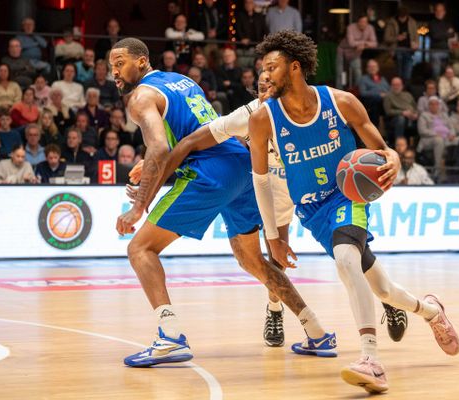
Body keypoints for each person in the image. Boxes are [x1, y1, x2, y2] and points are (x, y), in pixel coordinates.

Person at [127, 72, 409, 349]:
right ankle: (275, 311)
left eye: (271, 88)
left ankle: (387, 297)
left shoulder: (303, 109)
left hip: (310, 184)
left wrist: (386, 157)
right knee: (275, 255)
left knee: (348, 249)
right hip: (273, 188)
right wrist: (156, 162)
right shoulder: (251, 115)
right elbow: (197, 139)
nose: (266, 94)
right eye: (261, 89)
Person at [249, 30, 459, 394]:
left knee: (347, 260)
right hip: (312, 210)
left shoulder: (341, 102)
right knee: (383, 288)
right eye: (263, 69)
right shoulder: (262, 118)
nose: (265, 75)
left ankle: (370, 360)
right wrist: (272, 237)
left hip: (347, 196)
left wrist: (393, 158)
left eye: (272, 67)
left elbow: (382, 150)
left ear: (295, 67)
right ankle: (430, 311)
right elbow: (261, 181)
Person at [110, 37, 336, 367]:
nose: (114, 72)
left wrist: (139, 205)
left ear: (141, 61)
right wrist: (151, 162)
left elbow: (160, 147)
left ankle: (170, 337)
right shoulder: (181, 81)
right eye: (111, 66)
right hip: (240, 165)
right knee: (251, 260)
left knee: (140, 249)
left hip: (209, 173)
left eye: (120, 64)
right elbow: (189, 130)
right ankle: (316, 331)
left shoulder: (140, 96)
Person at [336, 15, 378, 89]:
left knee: (358, 73)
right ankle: (339, 91)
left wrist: (364, 45)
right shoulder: (350, 27)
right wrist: (365, 43)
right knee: (341, 73)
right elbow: (351, 43)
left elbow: (374, 43)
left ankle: (357, 92)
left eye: (365, 22)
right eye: (361, 21)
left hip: (355, 54)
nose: (363, 23)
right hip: (343, 52)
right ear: (358, 22)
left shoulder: (370, 28)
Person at [383, 6, 418, 82]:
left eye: (404, 17)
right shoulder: (391, 22)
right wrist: (397, 38)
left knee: (407, 75)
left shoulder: (412, 22)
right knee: (398, 74)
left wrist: (416, 44)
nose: (402, 19)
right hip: (396, 50)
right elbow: (386, 38)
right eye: (401, 17)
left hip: (409, 51)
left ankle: (405, 88)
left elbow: (416, 37)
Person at [236, 0, 268, 68]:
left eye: (250, 3)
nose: (248, 5)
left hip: (257, 47)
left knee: (257, 67)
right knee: (243, 66)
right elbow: (238, 29)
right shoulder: (240, 16)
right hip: (244, 48)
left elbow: (265, 31)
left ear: (253, 4)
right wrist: (242, 38)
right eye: (246, 3)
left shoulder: (259, 16)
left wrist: (263, 42)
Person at [358, 59, 390, 127]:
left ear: (377, 68)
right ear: (367, 69)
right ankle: (375, 128)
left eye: (374, 66)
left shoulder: (382, 79)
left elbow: (389, 90)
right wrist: (378, 94)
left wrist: (385, 94)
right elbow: (363, 93)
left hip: (385, 101)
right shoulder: (363, 79)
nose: (372, 68)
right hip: (371, 103)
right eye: (370, 66)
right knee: (376, 101)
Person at [428, 2, 454, 78]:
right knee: (436, 69)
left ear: (444, 12)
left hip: (447, 51)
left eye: (441, 10)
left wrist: (441, 34)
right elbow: (435, 36)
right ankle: (436, 82)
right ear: (435, 12)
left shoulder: (448, 23)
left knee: (452, 67)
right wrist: (446, 33)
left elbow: (452, 35)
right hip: (435, 51)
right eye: (437, 10)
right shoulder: (431, 23)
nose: (439, 12)